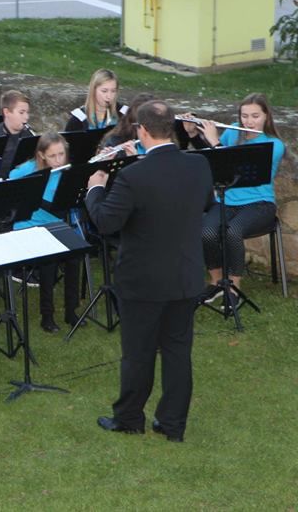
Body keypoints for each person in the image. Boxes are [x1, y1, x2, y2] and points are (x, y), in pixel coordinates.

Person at [86, 100, 213, 442]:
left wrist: (96, 186)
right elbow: (206, 203)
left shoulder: (132, 176)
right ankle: (172, 425)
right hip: (185, 274)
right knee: (177, 351)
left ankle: (129, 418)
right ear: (171, 127)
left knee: (138, 353)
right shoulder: (198, 165)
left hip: (142, 280)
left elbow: (105, 222)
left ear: (141, 130)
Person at [198, 93, 286, 307]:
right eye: (244, 116)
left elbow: (228, 162)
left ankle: (233, 289)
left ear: (266, 116)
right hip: (226, 201)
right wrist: (195, 132)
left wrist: (215, 142)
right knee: (206, 231)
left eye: (255, 116)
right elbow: (216, 160)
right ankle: (217, 282)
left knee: (233, 232)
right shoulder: (233, 131)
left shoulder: (274, 144)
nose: (249, 122)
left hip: (260, 204)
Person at [8, 133, 82, 332]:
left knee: (75, 255)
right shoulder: (26, 170)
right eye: (53, 156)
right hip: (28, 226)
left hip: (55, 224)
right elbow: (8, 191)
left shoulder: (66, 172)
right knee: (50, 260)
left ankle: (71, 311)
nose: (58, 160)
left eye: (61, 154)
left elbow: (63, 206)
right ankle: (47, 316)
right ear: (41, 155)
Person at [0, 89, 36, 177]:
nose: (27, 117)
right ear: (6, 112)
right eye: (21, 112)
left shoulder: (28, 134)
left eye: (27, 112)